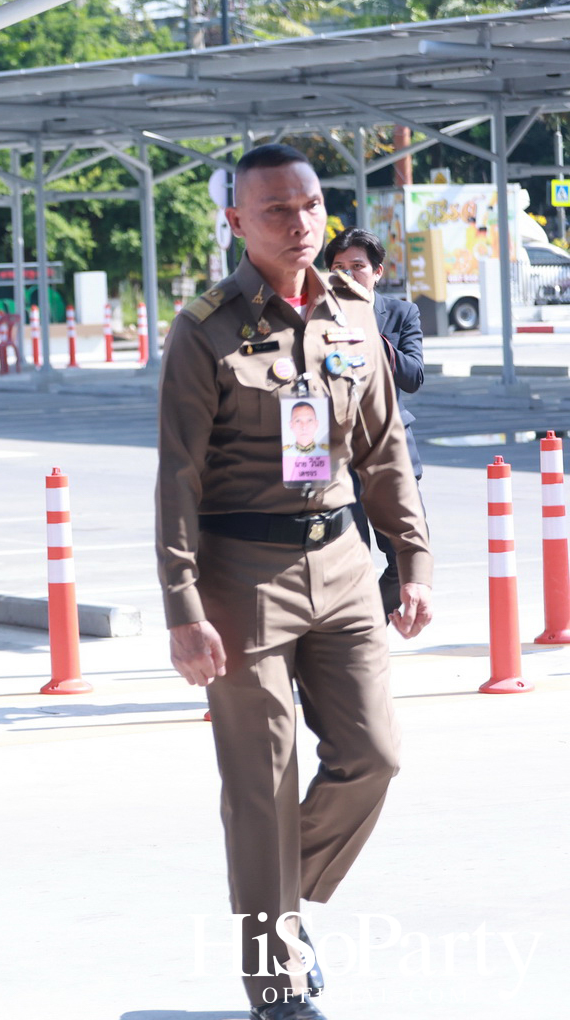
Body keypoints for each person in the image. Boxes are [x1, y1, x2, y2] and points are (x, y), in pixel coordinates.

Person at [157, 144, 432, 1020]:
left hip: (346, 565)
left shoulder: (357, 312)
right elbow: (177, 479)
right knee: (262, 781)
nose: (300, 221)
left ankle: (284, 895)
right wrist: (184, 609)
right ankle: (273, 977)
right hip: (243, 578)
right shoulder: (205, 326)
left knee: (374, 758)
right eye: (276, 209)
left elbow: (385, 450)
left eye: (310, 203)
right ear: (236, 222)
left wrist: (413, 559)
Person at [324, 227, 425, 616]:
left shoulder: (401, 313)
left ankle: (368, 623)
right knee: (346, 564)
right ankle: (355, 643)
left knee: (408, 562)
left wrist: (369, 333)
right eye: (338, 267)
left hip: (389, 454)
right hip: (335, 459)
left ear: (377, 272)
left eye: (357, 267)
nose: (347, 275)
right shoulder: (315, 317)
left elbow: (413, 376)